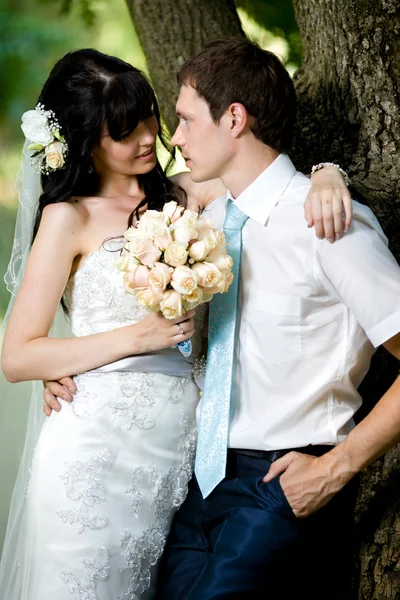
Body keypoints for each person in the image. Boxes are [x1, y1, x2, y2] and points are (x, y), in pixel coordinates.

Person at [6, 50, 347, 600]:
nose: (147, 138)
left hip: (176, 456)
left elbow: (269, 180)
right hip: (92, 452)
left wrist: (330, 176)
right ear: (87, 138)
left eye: (148, 118)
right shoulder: (68, 217)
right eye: (124, 132)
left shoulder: (184, 194)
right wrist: (131, 341)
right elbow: (18, 355)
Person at [147, 38, 400, 600]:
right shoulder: (207, 216)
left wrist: (336, 468)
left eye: (186, 120)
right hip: (201, 485)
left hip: (282, 486)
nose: (176, 138)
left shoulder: (330, 224)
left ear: (234, 118)